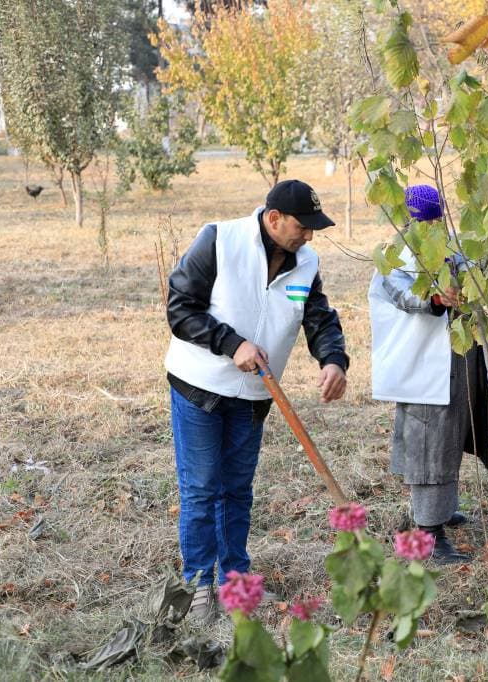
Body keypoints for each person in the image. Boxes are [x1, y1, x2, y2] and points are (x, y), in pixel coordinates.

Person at [165, 179, 350, 623]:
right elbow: (180, 309)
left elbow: (318, 316)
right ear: (273, 219)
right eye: (302, 226)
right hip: (200, 386)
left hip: (253, 395)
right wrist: (231, 343)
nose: (308, 235)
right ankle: (197, 586)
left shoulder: (306, 262)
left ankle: (235, 582)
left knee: (236, 490)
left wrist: (333, 359)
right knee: (202, 488)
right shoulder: (219, 240)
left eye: (313, 228)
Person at [368, 184, 488, 565]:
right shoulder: (395, 258)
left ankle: (440, 510)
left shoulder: (452, 246)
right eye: (423, 219)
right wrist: (436, 297)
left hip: (458, 357)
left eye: (435, 217)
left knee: (452, 435)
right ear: (407, 219)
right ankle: (428, 531)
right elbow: (407, 296)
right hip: (423, 364)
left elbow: (477, 273)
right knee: (429, 443)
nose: (430, 224)